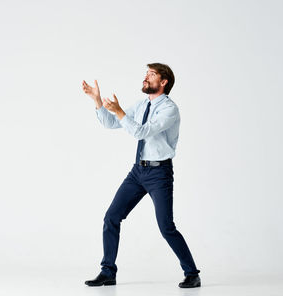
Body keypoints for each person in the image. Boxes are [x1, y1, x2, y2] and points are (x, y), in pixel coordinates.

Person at [81, 63, 201, 288]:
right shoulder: (142, 104)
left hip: (159, 173)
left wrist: (119, 111)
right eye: (146, 73)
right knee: (111, 217)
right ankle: (108, 272)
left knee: (166, 227)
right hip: (138, 171)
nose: (146, 77)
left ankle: (192, 273)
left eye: (152, 74)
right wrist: (97, 101)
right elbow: (111, 123)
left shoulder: (169, 110)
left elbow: (141, 131)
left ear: (163, 82)